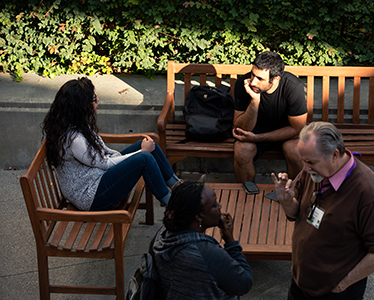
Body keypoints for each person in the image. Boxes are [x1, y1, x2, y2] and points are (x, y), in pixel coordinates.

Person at [272, 121, 374, 300]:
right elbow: (296, 214)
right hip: (301, 282)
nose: (305, 168)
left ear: (334, 155)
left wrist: (343, 284)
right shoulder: (314, 172)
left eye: (310, 162)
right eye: (303, 161)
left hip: (335, 292)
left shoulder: (367, 191)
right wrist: (286, 201)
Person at [42, 77, 181, 211]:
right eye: (93, 99)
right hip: (92, 197)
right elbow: (104, 164)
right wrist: (140, 152)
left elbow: (102, 153)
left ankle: (178, 188)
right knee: (145, 157)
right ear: (81, 106)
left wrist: (120, 155)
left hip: (98, 178)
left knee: (150, 144)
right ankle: (174, 207)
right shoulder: (73, 139)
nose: (98, 100)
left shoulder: (75, 124)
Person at [153, 179, 253, 300]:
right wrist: (231, 242)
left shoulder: (162, 236)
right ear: (199, 216)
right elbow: (244, 283)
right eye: (215, 205)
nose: (220, 206)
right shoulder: (206, 252)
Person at [233, 51, 307, 183]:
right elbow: (241, 127)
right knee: (242, 150)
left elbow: (297, 128)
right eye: (253, 75)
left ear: (275, 79)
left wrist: (257, 138)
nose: (253, 82)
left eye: (260, 79)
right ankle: (247, 195)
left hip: (286, 131)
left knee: (295, 151)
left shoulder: (293, 87)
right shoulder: (243, 84)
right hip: (254, 129)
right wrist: (254, 102)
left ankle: (295, 194)